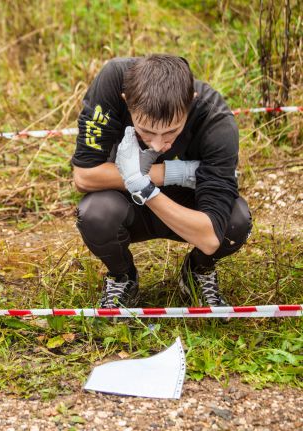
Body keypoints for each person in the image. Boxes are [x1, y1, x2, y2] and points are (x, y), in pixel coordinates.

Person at [72, 54, 252, 309]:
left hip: (188, 206)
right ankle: (123, 276)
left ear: (190, 103)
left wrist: (143, 186)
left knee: (236, 220)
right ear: (127, 102)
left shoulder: (216, 121)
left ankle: (198, 271)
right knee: (94, 213)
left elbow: (210, 237)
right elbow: (84, 176)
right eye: (146, 130)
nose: (157, 144)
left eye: (171, 131)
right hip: (125, 202)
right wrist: (173, 172)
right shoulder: (114, 81)